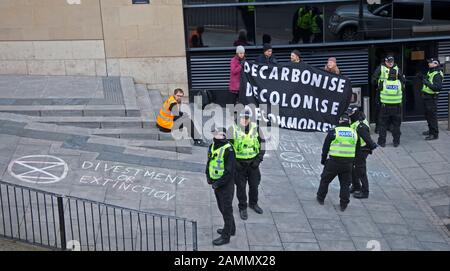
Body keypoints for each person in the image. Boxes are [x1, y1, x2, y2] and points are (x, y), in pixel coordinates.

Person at [316, 114, 357, 211]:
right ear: (349, 122)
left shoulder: (334, 132)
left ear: (340, 121)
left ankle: (321, 198)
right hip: (348, 164)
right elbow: (357, 149)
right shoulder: (354, 133)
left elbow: (325, 147)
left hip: (334, 162)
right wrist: (353, 163)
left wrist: (323, 160)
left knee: (325, 180)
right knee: (345, 184)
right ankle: (344, 204)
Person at [229, 110, 265, 220]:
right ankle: (242, 207)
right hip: (240, 165)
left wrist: (258, 160)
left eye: (247, 118)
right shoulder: (232, 129)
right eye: (242, 118)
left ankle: (253, 203)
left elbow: (262, 145)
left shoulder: (256, 128)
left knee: (254, 186)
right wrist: (235, 163)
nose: (244, 120)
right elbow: (229, 149)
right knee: (241, 188)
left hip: (253, 164)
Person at [206, 127, 236, 246]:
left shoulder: (229, 150)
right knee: (222, 208)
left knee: (226, 210)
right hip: (216, 183)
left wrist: (217, 184)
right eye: (214, 133)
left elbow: (229, 172)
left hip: (225, 185)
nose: (215, 135)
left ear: (224, 136)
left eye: (218, 134)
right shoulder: (212, 146)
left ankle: (226, 236)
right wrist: (208, 176)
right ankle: (231, 229)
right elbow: (209, 162)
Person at [347, 105, 378, 199]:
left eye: (350, 113)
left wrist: (372, 147)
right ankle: (356, 186)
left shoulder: (360, 126)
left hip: (362, 149)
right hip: (356, 148)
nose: (348, 115)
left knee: (361, 171)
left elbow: (367, 139)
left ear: (355, 113)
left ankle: (365, 192)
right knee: (352, 167)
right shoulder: (357, 119)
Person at [371, 55, 405, 133]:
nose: (390, 63)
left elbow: (402, 79)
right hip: (382, 93)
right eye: (388, 62)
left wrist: (401, 86)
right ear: (385, 61)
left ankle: (390, 126)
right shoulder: (381, 68)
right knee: (380, 110)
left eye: (392, 62)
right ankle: (378, 127)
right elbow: (373, 79)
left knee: (392, 111)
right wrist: (379, 85)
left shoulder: (396, 68)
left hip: (394, 94)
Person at [377, 68, 403, 147]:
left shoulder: (383, 83)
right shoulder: (399, 83)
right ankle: (396, 142)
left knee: (383, 125)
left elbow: (378, 91)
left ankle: (382, 142)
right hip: (397, 107)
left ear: (388, 74)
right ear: (396, 75)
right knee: (396, 125)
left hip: (385, 107)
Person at [420, 58, 444, 140]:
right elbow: (429, 81)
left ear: (436, 64)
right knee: (428, 115)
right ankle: (430, 130)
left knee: (432, 116)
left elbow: (437, 87)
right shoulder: (431, 71)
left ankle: (434, 134)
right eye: (429, 62)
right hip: (427, 97)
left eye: (430, 62)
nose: (428, 63)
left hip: (431, 98)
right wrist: (422, 77)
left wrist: (426, 82)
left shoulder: (437, 74)